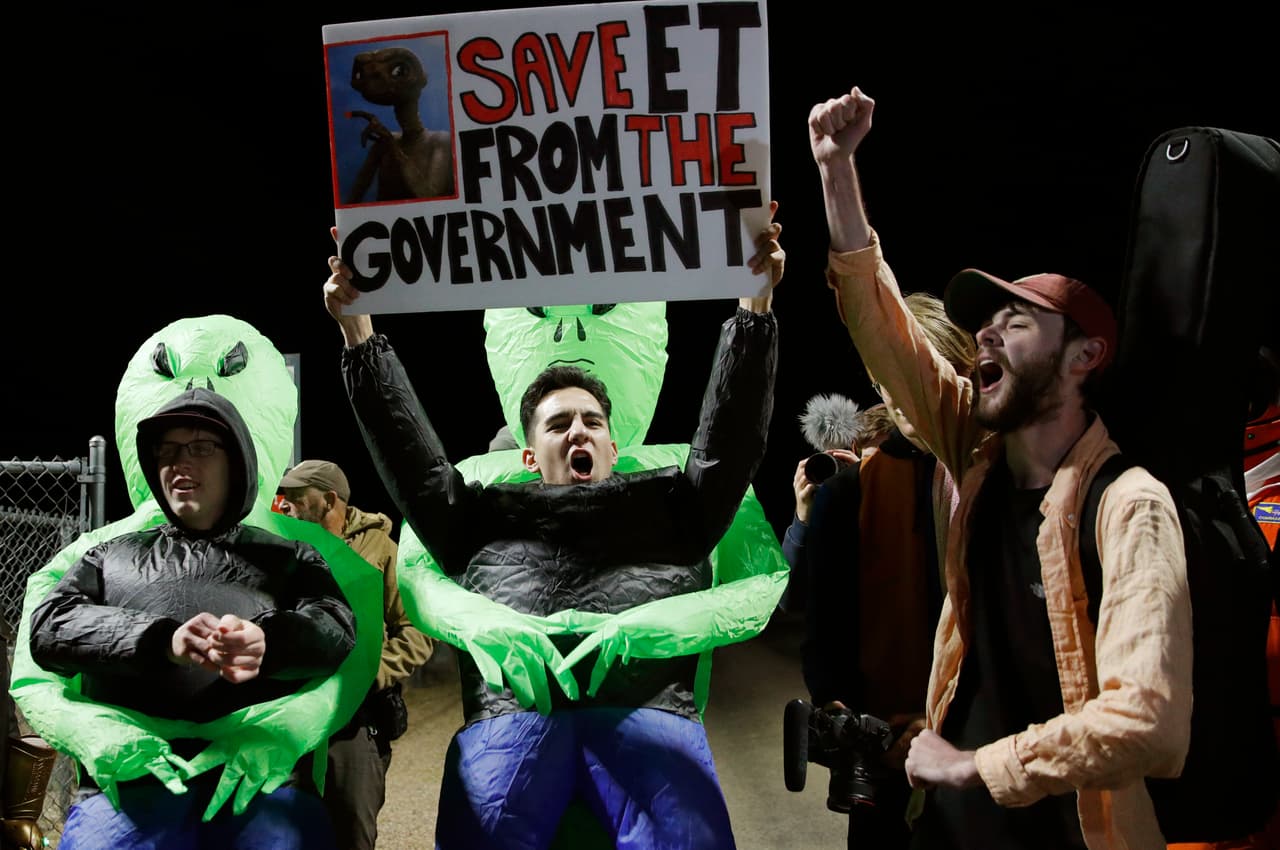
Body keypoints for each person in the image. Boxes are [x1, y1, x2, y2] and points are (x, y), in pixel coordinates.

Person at [321, 207, 783, 849]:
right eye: (559, 423)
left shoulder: (673, 501)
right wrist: (358, 332)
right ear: (529, 453)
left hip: (647, 718)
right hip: (513, 723)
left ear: (614, 445)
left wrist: (754, 308)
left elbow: (731, 437)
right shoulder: (481, 507)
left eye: (592, 421)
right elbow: (408, 456)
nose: (578, 431)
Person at [808, 85, 1193, 849]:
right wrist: (835, 169)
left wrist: (975, 765)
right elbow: (885, 332)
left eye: (1015, 322)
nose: (985, 333)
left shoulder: (1129, 505)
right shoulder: (975, 457)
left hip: (1068, 832)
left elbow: (1147, 722)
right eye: (985, 322)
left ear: (1084, 357)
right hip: (947, 828)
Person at [26, 387, 357, 850]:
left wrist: (269, 641)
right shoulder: (109, 555)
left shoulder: (290, 556)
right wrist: (160, 639)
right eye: (167, 450)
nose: (180, 462)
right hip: (131, 794)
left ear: (236, 461)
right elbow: (49, 627)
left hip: (257, 789)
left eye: (201, 447)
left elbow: (336, 628)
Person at [780, 293, 973, 850]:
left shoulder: (999, 472)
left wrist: (951, 720)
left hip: (978, 743)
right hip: (884, 747)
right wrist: (842, 711)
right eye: (885, 376)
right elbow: (823, 623)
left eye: (915, 372)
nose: (899, 391)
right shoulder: (853, 487)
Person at [276, 458, 434, 850]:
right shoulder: (285, 546)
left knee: (351, 834)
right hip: (294, 719)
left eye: (296, 497)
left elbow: (416, 631)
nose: (285, 505)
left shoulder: (380, 549)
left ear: (329, 500)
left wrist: (371, 674)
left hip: (355, 723)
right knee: (286, 833)